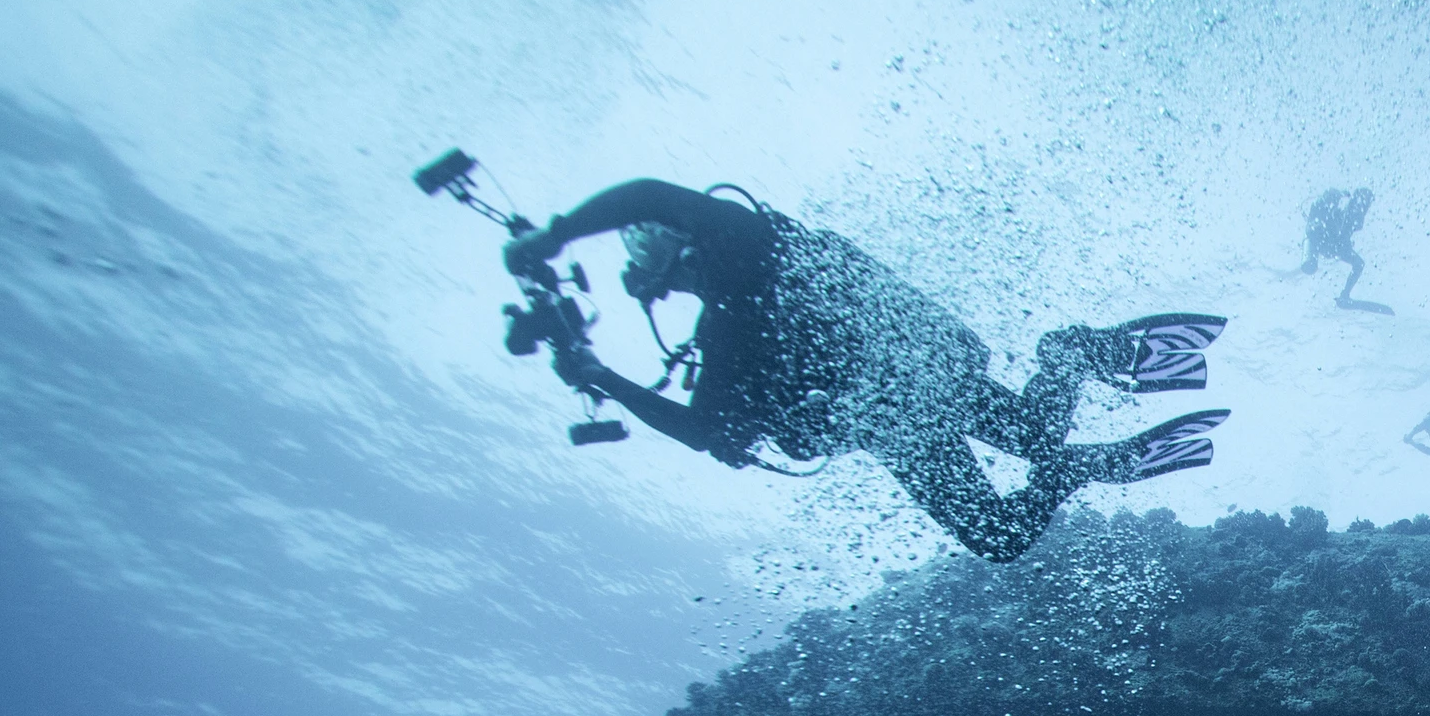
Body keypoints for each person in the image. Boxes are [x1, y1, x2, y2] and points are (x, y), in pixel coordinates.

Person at [500, 178, 1229, 564]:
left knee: (1027, 459)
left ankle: (1071, 360)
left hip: (909, 373)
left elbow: (653, 195)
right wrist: (599, 376)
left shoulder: (744, 245)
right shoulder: (720, 339)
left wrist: (557, 235)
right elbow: (703, 431)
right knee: (1004, 531)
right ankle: (1072, 438)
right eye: (631, 252)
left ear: (675, 243)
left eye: (643, 246)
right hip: (896, 414)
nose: (640, 257)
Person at [1300, 188, 1391, 314]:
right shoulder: (1322, 208)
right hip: (1325, 241)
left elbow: (1348, 226)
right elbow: (1319, 225)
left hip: (1335, 244)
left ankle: (1345, 296)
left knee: (1359, 263)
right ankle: (1345, 295)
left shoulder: (1345, 214)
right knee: (1357, 260)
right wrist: (1340, 195)